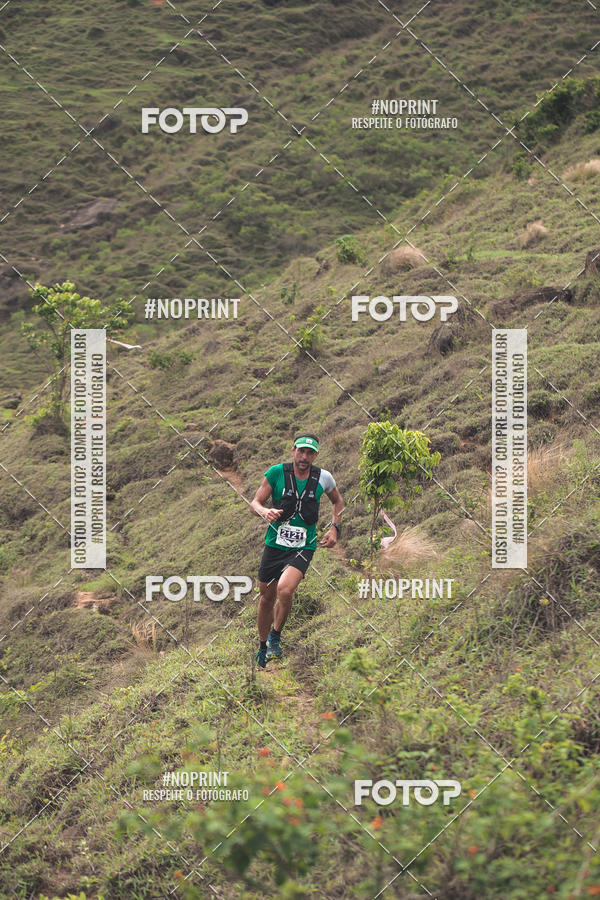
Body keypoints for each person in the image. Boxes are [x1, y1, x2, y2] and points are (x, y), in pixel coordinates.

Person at [249, 434, 344, 668]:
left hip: (303, 546)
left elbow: (338, 502)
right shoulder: (276, 473)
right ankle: (262, 646)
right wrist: (264, 512)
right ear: (293, 451)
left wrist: (334, 529)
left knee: (285, 589)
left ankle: (276, 636)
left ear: (316, 455)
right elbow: (255, 503)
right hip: (275, 544)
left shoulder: (324, 477)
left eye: (309, 453)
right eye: (301, 451)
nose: (304, 457)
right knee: (265, 599)